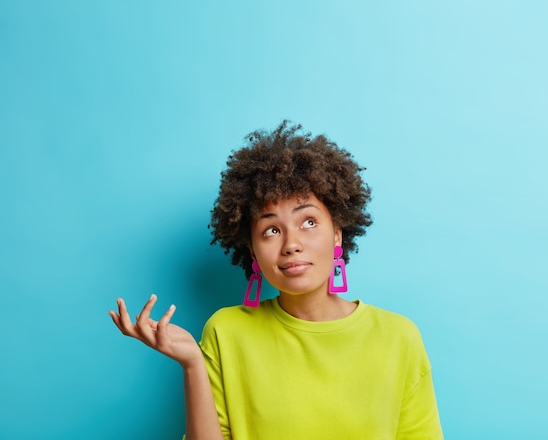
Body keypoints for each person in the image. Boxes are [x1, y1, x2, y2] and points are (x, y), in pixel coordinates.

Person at [109, 121, 444, 440]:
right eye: (271, 230)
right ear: (253, 251)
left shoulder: (398, 338)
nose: (291, 244)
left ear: (338, 234)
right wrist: (192, 363)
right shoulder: (227, 332)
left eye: (308, 222)